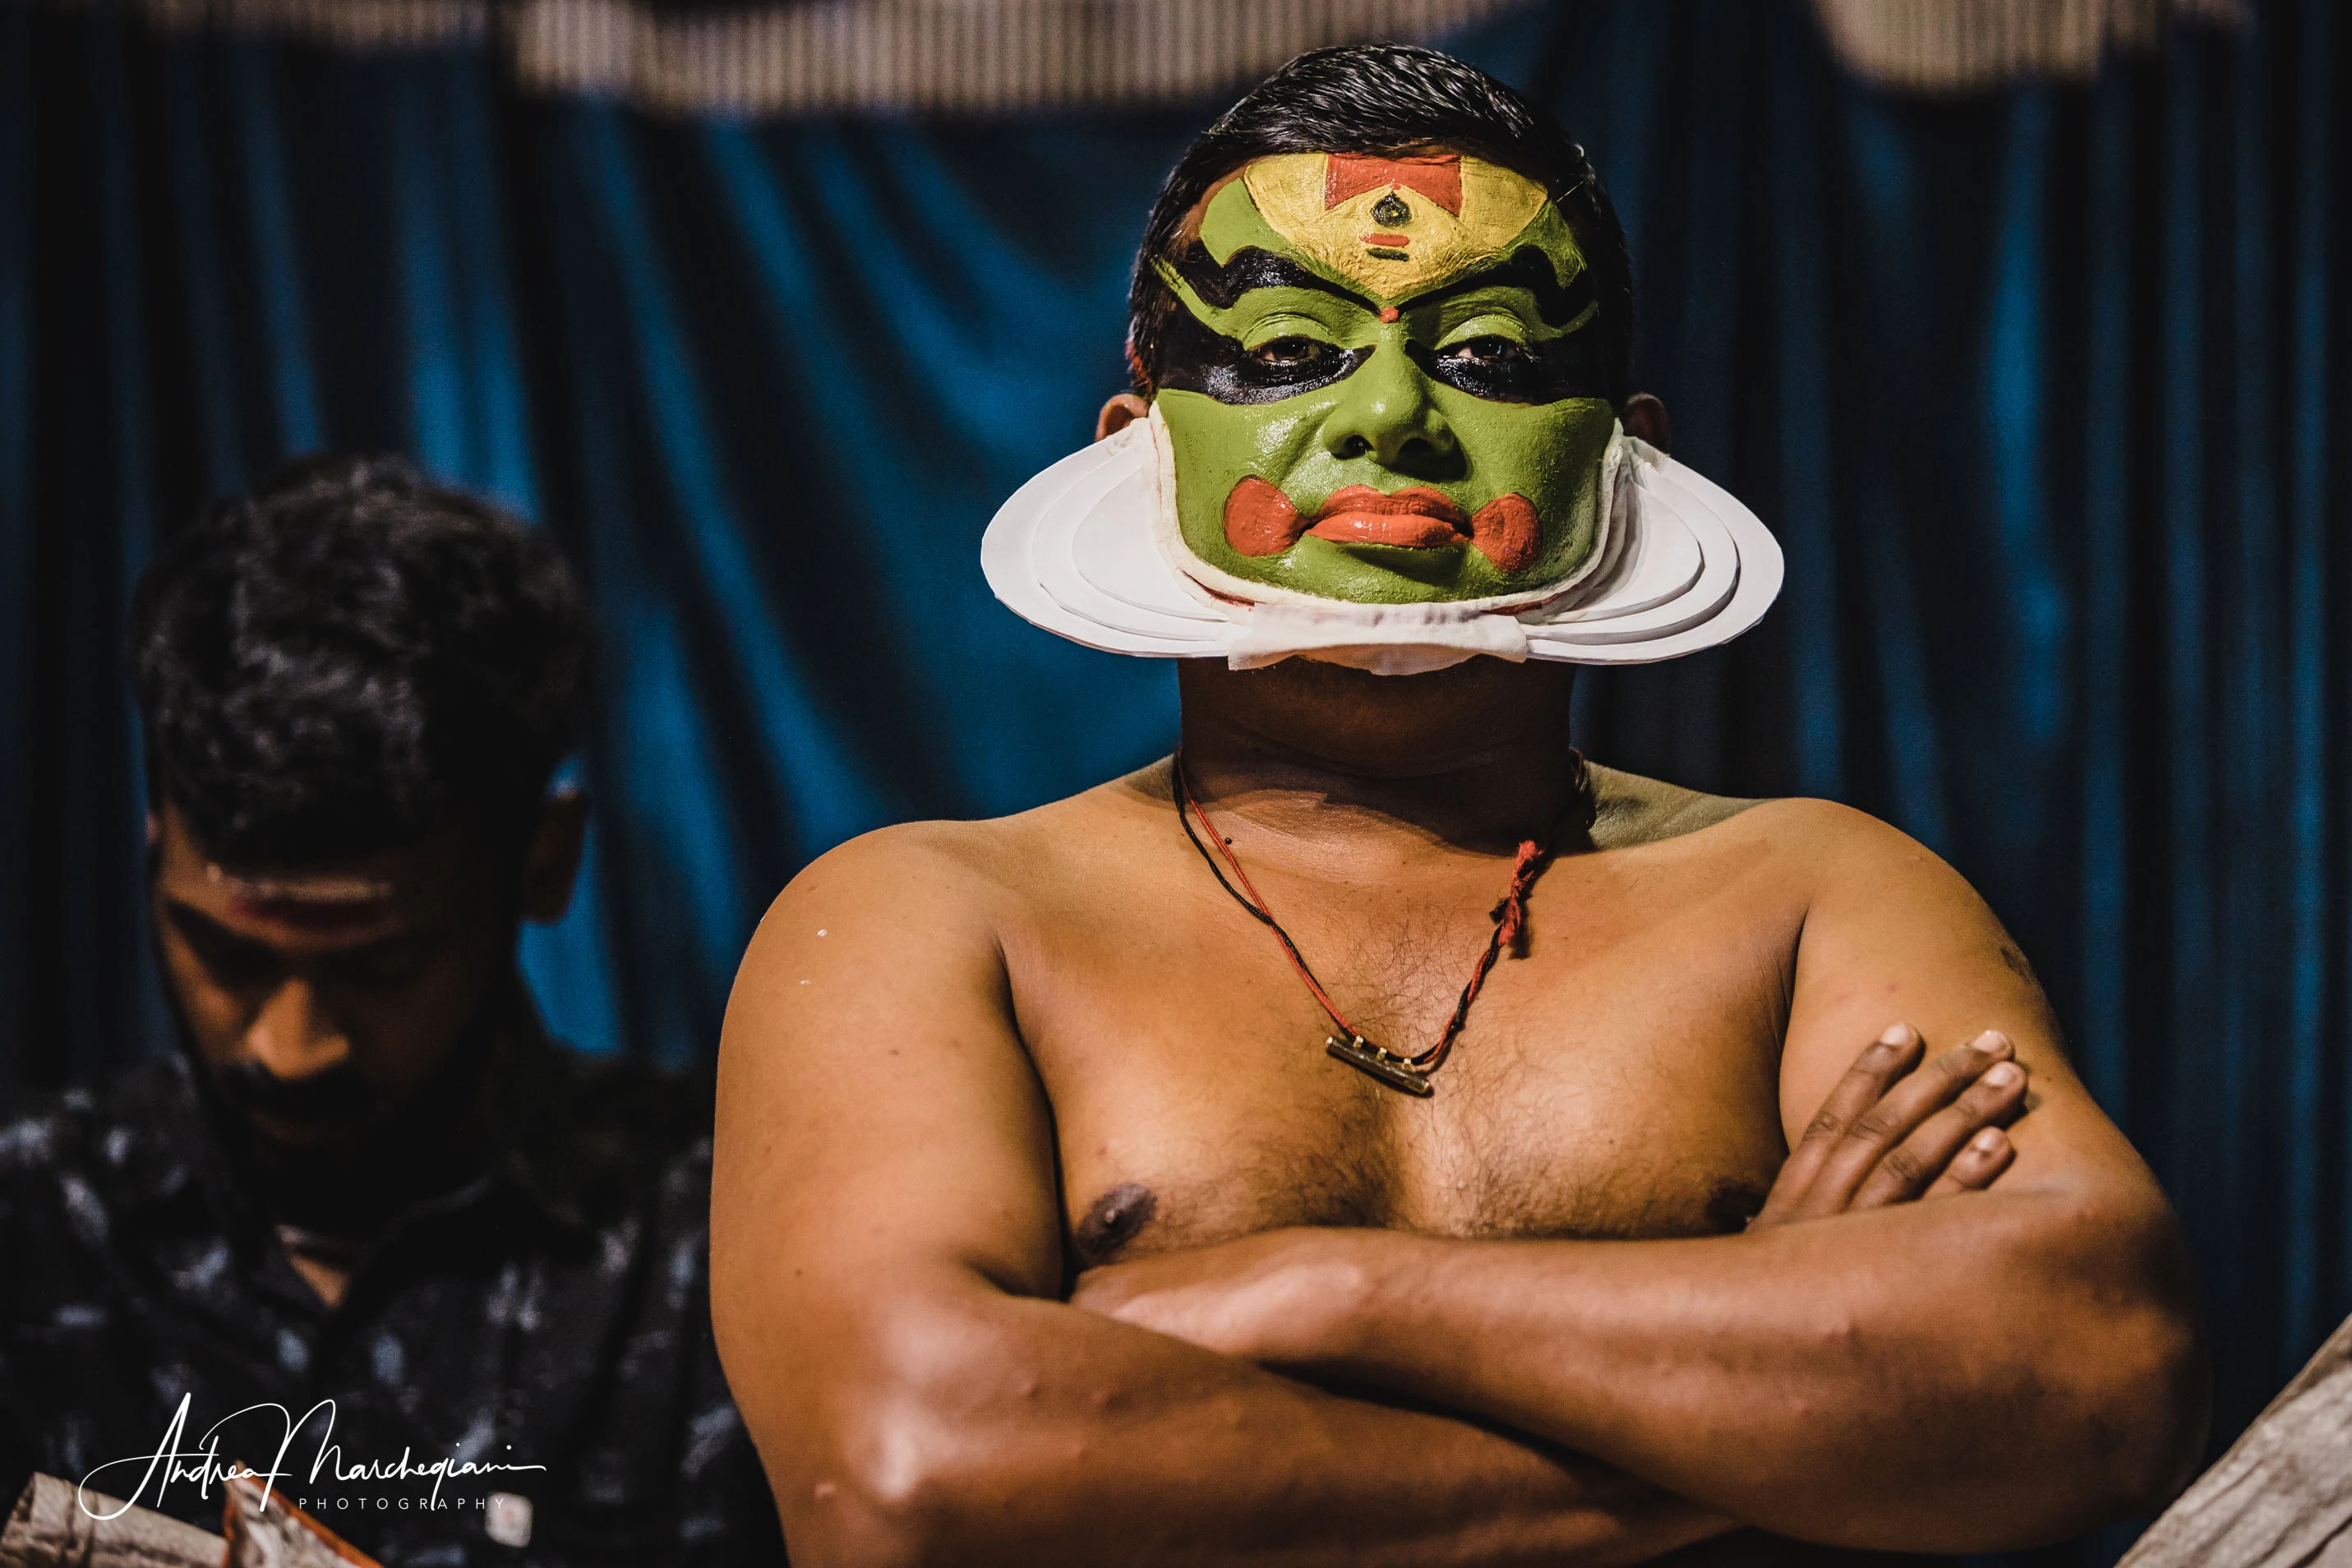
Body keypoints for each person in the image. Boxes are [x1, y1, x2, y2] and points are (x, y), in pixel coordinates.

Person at [710, 45, 2206, 1566]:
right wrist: (1765, 1404)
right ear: (1135, 452)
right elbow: (911, 1467)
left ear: (1633, 458)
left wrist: (1320, 1292)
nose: (1390, 426)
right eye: (1289, 353)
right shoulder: (929, 917)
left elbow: (2095, 1372)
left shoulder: (1814, 894)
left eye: (1488, 356)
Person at [0, 458, 782, 1568]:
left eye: (383, 966)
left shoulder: (727, 1245)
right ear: (151, 854)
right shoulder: (28, 1225)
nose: (289, 1046)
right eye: (223, 953)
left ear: (543, 863)